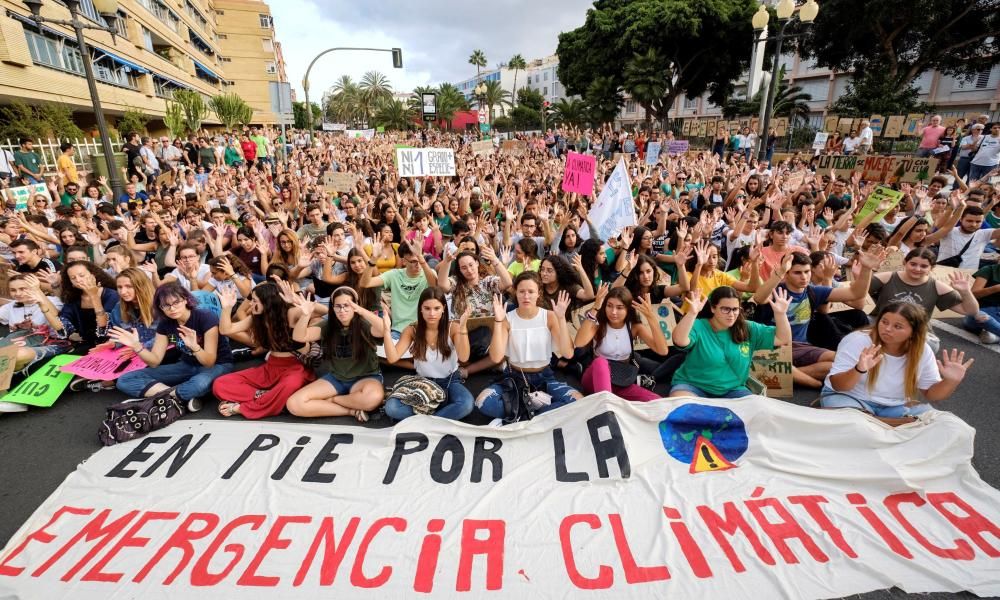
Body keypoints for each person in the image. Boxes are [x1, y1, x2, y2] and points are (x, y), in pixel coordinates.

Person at [820, 303, 974, 423]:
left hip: (894, 407)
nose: (887, 329)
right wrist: (858, 369)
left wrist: (951, 381)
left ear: (913, 332)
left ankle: (879, 423)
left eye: (897, 326)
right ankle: (884, 425)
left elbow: (932, 394)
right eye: (884, 322)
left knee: (948, 424)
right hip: (850, 399)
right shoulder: (857, 340)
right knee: (853, 425)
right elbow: (838, 385)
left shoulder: (923, 350)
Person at [113, 281, 234, 412]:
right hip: (187, 365)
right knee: (125, 380)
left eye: (176, 303)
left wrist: (195, 347)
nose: (172, 309)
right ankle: (175, 397)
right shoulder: (166, 324)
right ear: (160, 308)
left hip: (218, 364)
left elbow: (209, 362)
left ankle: (165, 395)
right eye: (166, 305)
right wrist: (137, 347)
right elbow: (154, 361)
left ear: (186, 300)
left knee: (198, 385)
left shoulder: (205, 317)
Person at [475, 273, 582, 420]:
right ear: (516, 293)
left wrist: (561, 318)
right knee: (483, 402)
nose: (526, 296)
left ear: (539, 293)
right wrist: (498, 322)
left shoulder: (550, 316)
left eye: (531, 292)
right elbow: (496, 357)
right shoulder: (506, 318)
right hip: (514, 377)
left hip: (544, 377)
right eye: (522, 291)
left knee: (578, 401)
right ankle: (538, 416)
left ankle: (521, 415)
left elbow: (568, 353)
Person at [213, 283, 317, 418]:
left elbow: (324, 311)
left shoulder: (290, 312)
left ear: (267, 301)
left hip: (296, 367)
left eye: (255, 301)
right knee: (220, 384)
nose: (250, 305)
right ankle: (268, 398)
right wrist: (227, 308)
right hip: (271, 367)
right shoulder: (256, 317)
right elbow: (225, 330)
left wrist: (297, 301)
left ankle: (244, 407)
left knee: (289, 385)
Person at [670, 286, 792, 398]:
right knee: (681, 405)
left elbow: (782, 339)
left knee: (757, 413)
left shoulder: (747, 328)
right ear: (713, 308)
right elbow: (679, 340)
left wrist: (780, 314)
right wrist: (692, 313)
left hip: (733, 390)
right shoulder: (699, 325)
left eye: (735, 309)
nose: (731, 314)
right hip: (693, 386)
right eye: (725, 309)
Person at [287, 287, 386, 420]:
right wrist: (305, 315)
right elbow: (299, 337)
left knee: (372, 398)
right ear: (332, 308)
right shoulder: (328, 325)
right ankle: (350, 411)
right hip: (337, 378)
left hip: (365, 377)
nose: (342, 310)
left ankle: (333, 401)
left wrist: (361, 310)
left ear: (355, 306)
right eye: (338, 306)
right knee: (294, 404)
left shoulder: (364, 324)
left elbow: (383, 329)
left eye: (347, 305)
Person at [382, 288, 475, 421]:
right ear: (421, 309)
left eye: (436, 308)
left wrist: (463, 327)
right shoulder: (412, 330)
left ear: (443, 308)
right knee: (392, 408)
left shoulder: (452, 328)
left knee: (466, 404)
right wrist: (386, 330)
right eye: (427, 308)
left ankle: (425, 420)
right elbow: (392, 358)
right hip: (423, 382)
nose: (432, 313)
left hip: (449, 381)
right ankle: (439, 418)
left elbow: (464, 357)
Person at [575, 284, 669, 401]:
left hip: (620, 381)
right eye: (609, 306)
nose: (613, 312)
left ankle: (611, 401)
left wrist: (651, 317)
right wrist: (595, 307)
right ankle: (606, 408)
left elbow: (663, 350)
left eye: (619, 308)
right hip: (594, 379)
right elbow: (579, 343)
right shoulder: (598, 325)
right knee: (601, 362)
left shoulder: (634, 327)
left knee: (657, 401)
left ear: (628, 309)